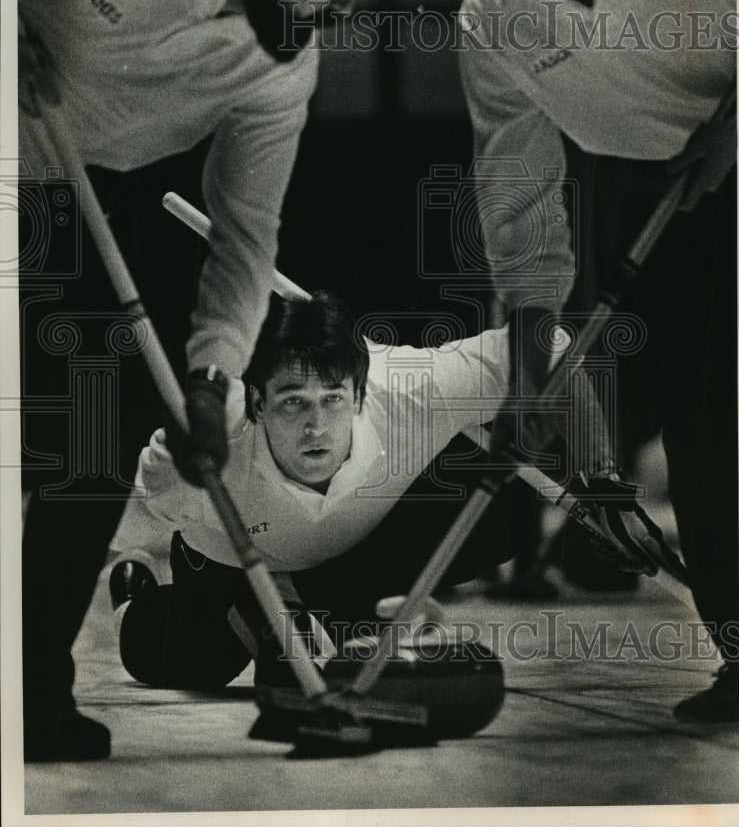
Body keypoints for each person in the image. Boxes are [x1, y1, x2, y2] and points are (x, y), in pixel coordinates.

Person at [17, 0, 414, 760]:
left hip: (77, 204)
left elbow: (245, 236)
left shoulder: (282, 65)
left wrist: (212, 379)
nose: (349, 9)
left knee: (95, 440)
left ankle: (29, 689)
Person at [406, 0, 739, 721]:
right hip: (678, 196)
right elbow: (515, 191)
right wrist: (529, 368)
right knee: (711, 436)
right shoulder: (492, 20)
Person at [107, 290, 523, 689]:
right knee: (175, 660)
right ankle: (135, 595)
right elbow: (105, 530)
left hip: (342, 560)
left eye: (332, 399)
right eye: (293, 401)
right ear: (257, 402)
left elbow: (549, 342)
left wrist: (592, 464)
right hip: (226, 564)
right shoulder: (205, 435)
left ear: (358, 395)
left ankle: (304, 609)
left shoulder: (409, 389)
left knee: (509, 516)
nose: (316, 427)